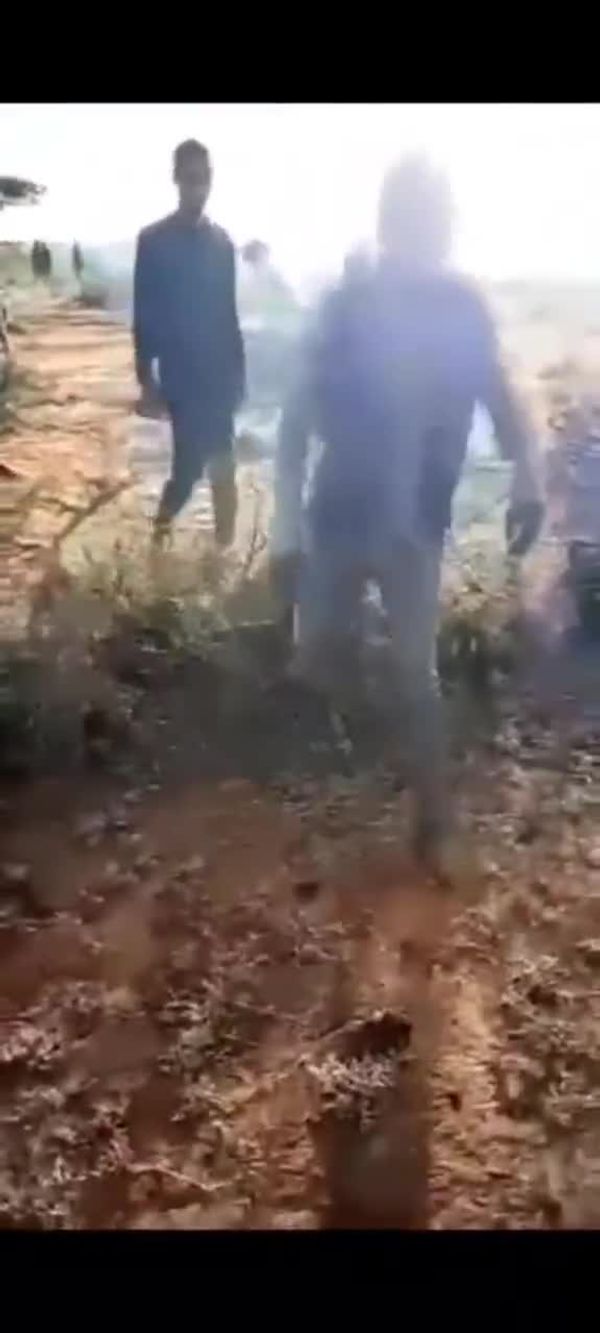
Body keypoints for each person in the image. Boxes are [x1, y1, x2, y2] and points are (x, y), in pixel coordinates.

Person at [271, 156, 544, 884]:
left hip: (415, 528)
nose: (427, 236)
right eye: (414, 221)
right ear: (389, 225)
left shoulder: (462, 309)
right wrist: (286, 531)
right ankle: (340, 758)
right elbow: (294, 419)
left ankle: (433, 818)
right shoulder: (346, 304)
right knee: (316, 656)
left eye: (435, 222)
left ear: (447, 228)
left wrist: (528, 474)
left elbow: (501, 396)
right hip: (337, 518)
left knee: (415, 676)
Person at [133, 139, 245, 548]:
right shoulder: (154, 241)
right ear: (177, 179)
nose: (199, 186)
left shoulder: (222, 244)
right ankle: (159, 538)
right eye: (191, 177)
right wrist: (146, 378)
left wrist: (239, 376)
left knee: (225, 472)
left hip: (219, 376)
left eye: (205, 177)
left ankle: (223, 559)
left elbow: (229, 313)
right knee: (188, 471)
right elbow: (144, 313)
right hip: (181, 377)